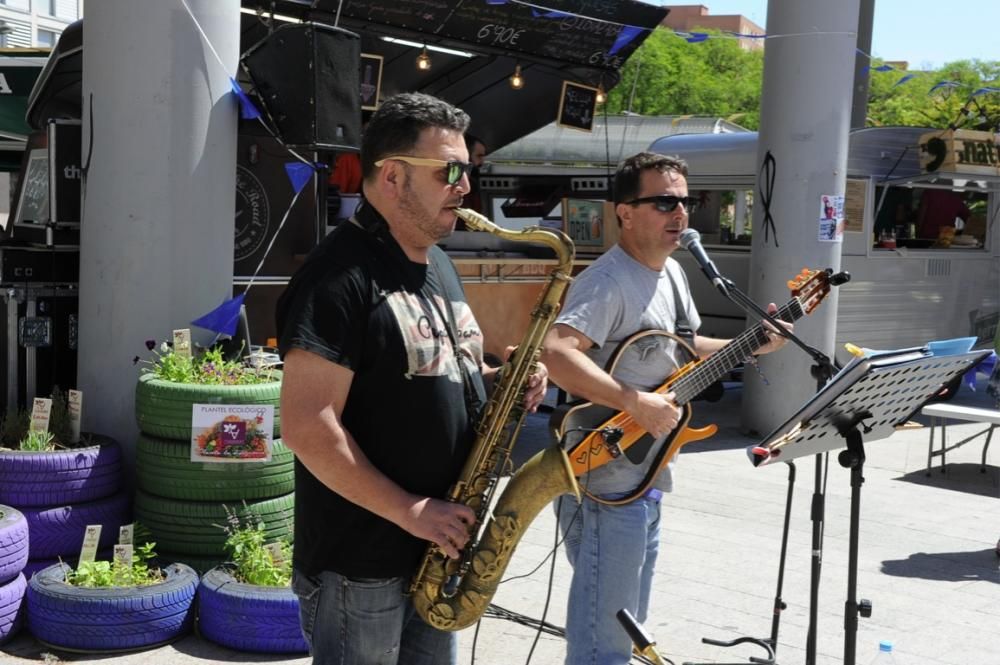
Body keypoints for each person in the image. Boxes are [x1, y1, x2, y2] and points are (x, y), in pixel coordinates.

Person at [276, 92, 548, 665]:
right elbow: (306, 425)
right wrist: (410, 511)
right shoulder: (337, 276)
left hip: (437, 552)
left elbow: (439, 373)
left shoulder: (438, 262)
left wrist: (504, 384)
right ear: (394, 176)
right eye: (450, 171)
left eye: (469, 171)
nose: (466, 187)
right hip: (363, 564)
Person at [539, 152, 792, 665]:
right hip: (604, 480)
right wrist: (632, 400)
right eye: (664, 202)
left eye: (685, 201)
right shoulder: (607, 281)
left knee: (629, 623)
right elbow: (557, 352)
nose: (681, 214)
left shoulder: (671, 273)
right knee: (603, 639)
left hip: (646, 474)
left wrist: (754, 344)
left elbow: (683, 347)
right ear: (624, 212)